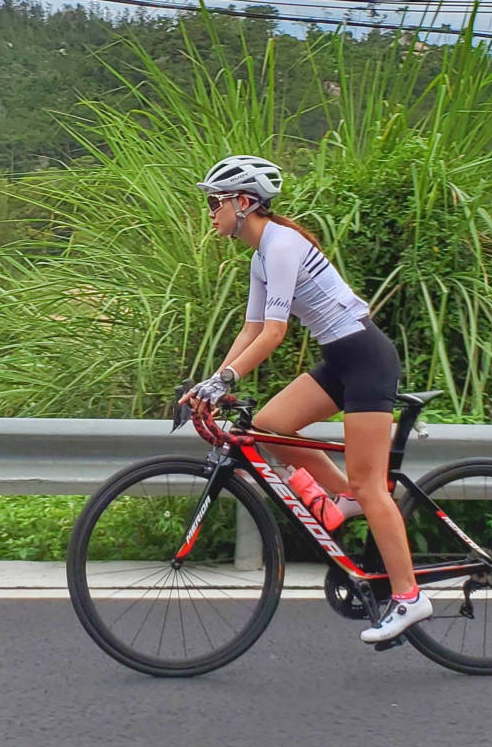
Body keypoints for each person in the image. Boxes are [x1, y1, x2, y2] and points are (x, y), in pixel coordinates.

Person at [179, 154, 432, 644]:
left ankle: (409, 596)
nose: (210, 211)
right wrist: (212, 380)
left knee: (370, 483)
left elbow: (274, 334)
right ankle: (344, 498)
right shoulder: (259, 256)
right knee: (271, 425)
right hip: (340, 357)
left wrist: (226, 379)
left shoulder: (281, 244)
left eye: (215, 202)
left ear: (244, 202)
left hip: (365, 357)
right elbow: (251, 328)